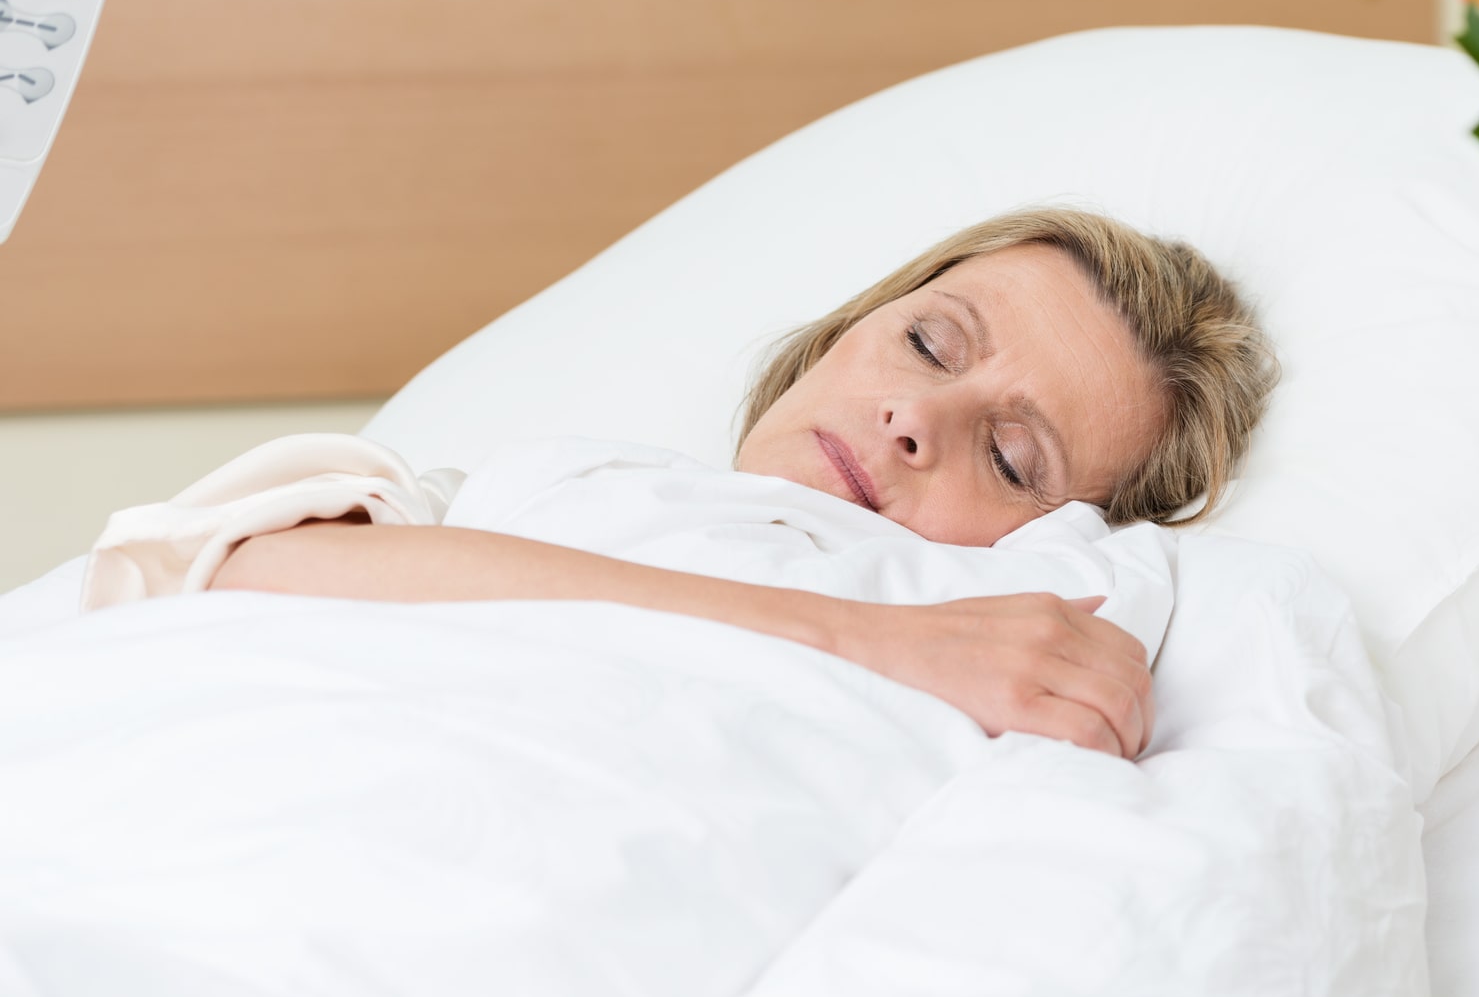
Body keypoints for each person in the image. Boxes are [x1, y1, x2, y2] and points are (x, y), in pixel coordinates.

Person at [205, 208, 1277, 760]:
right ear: (846, 328)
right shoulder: (553, 480)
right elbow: (245, 569)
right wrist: (851, 639)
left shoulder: (1005, 636)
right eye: (928, 343)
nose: (915, 419)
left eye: (1008, 458)